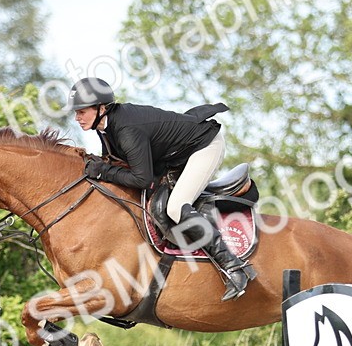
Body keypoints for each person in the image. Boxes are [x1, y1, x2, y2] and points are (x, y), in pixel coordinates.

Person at [68, 77, 257, 301]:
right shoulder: (104, 126)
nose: (77, 118)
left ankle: (234, 267)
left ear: (101, 108)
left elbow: (142, 179)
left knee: (175, 207)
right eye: (76, 112)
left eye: (81, 111)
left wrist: (102, 172)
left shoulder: (127, 130)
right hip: (174, 156)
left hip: (204, 146)